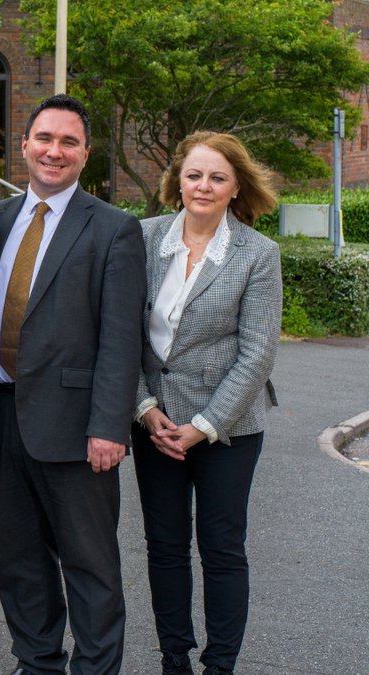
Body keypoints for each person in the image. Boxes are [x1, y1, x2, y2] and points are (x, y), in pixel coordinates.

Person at [0, 94, 146, 675]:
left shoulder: (114, 230)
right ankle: (37, 661)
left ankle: (96, 668)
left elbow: (122, 340)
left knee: (90, 563)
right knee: (18, 560)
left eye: (68, 142)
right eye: (45, 138)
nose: (55, 151)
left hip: (79, 428)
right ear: (24, 145)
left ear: (85, 153)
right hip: (1, 418)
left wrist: (109, 427)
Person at [132, 131, 281, 675]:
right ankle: (175, 659)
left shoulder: (258, 254)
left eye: (217, 177)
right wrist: (145, 409)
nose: (204, 185)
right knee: (164, 546)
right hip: (154, 423)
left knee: (221, 549)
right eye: (194, 174)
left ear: (235, 186)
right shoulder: (143, 238)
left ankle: (220, 665)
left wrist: (204, 425)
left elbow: (257, 352)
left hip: (229, 429)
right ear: (178, 180)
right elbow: (120, 334)